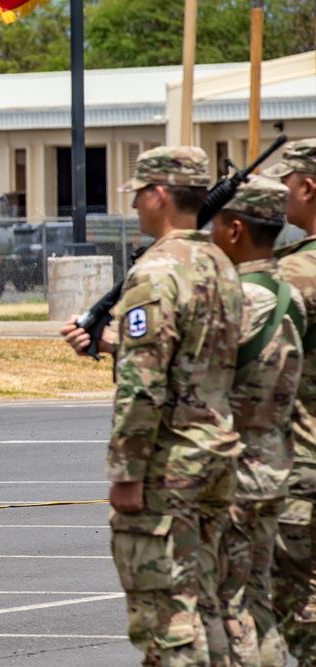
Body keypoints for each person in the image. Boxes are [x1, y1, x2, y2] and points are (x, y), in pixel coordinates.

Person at [60, 146, 243, 664]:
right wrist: (112, 342)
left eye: (139, 194)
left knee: (166, 620)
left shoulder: (155, 271)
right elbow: (201, 351)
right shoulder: (219, 264)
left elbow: (143, 386)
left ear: (159, 194)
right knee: (212, 607)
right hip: (217, 452)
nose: (135, 206)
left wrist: (126, 472)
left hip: (170, 465)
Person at [209, 176, 303, 666]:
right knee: (258, 601)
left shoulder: (239, 300)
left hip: (237, 474)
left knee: (231, 605)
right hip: (275, 463)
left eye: (216, 225)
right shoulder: (287, 293)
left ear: (235, 230)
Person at [263, 139, 316, 665]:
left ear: (308, 187)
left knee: (299, 604)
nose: (282, 195)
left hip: (304, 458)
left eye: (286, 183)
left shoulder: (297, 274)